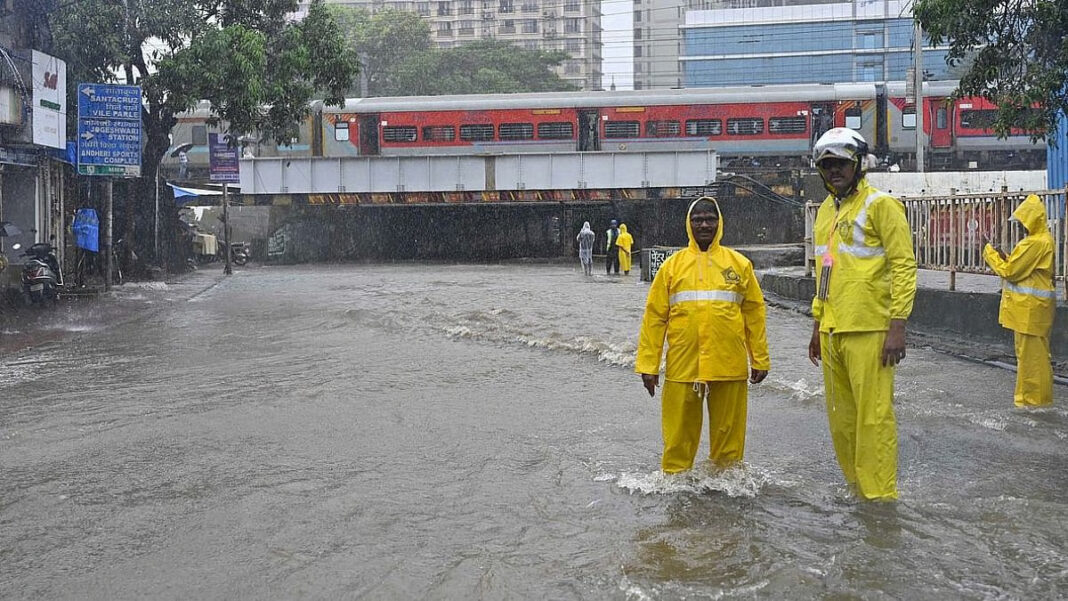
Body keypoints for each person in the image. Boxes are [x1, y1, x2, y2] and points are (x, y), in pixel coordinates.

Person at [807, 128, 917, 501]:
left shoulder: (881, 205)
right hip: (833, 329)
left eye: (840, 163)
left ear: (857, 165)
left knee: (874, 419)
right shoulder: (825, 212)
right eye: (827, 165)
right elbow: (825, 268)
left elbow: (904, 265)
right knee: (842, 421)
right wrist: (817, 321)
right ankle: (856, 489)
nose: (834, 171)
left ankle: (880, 497)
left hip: (871, 327)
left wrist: (897, 325)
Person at [635, 196, 770, 473]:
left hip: (728, 365)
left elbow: (754, 314)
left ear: (719, 223)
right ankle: (676, 486)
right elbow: (654, 318)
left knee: (729, 442)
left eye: (710, 219)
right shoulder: (672, 267)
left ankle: (725, 488)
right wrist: (649, 366)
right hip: (683, 366)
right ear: (689, 224)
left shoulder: (740, 264)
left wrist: (759, 359)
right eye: (698, 220)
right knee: (677, 439)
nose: (704, 224)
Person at [982, 194, 1056, 407]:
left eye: (1024, 222)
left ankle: (1033, 403)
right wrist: (1004, 255)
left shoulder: (1035, 243)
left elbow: (1010, 271)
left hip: (1029, 310)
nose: (1022, 227)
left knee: (1032, 361)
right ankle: (1029, 400)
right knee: (1031, 359)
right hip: (1030, 310)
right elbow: (1022, 268)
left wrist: (989, 252)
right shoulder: (1041, 241)